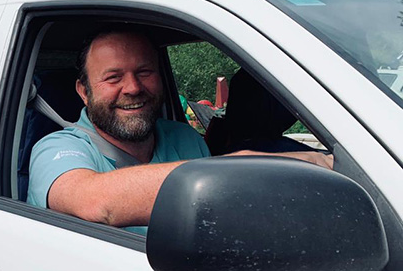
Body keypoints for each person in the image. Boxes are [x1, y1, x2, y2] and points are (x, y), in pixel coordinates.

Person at [27, 28, 332, 234]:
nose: (133, 88)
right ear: (84, 91)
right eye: (113, 77)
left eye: (144, 72)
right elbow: (95, 201)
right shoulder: (57, 149)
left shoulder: (184, 138)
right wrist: (250, 166)